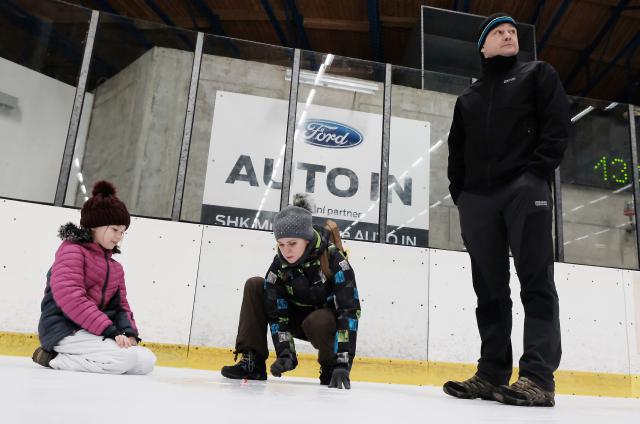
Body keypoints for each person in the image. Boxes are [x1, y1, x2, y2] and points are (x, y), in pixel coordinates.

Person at [443, 13, 569, 407]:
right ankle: (492, 372)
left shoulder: (537, 74)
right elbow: (456, 151)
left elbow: (556, 124)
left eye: (512, 31)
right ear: (483, 47)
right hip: (477, 199)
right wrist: (461, 193)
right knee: (489, 289)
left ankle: (536, 377)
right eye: (498, 32)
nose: (507, 35)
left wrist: (536, 172)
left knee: (535, 281)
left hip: (523, 188)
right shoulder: (468, 98)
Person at [220, 194, 360, 389]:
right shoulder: (278, 267)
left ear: (307, 238)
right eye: (281, 244)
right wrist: (286, 354)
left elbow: (348, 311)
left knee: (318, 320)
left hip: (323, 324)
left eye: (292, 243)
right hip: (295, 320)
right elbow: (277, 313)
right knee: (255, 285)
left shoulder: (335, 260)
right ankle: (253, 361)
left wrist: (342, 363)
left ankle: (329, 367)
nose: (286, 251)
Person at [32, 181, 156, 374]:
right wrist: (110, 331)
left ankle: (79, 357)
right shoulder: (72, 252)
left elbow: (121, 307)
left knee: (146, 361)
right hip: (63, 329)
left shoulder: (115, 268)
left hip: (93, 330)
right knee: (125, 358)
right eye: (115, 229)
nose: (119, 237)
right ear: (95, 226)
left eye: (123, 232)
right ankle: (53, 359)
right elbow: (72, 299)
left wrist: (128, 333)